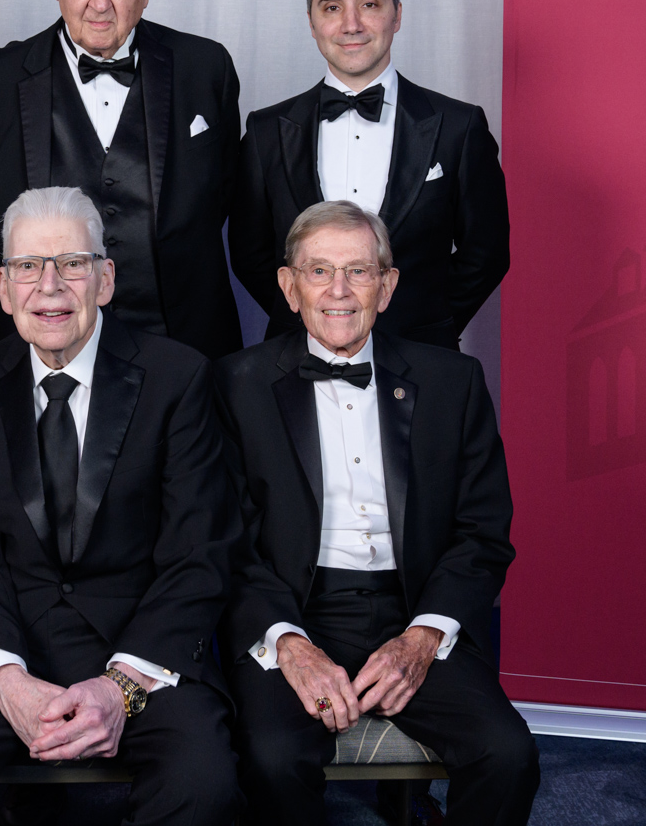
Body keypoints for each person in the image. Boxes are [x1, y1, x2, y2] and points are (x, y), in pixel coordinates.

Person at [0, 187, 241, 826]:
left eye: (72, 263)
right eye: (27, 267)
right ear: (4, 289)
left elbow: (199, 550)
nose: (50, 285)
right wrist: (7, 680)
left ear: (105, 279)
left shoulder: (178, 377)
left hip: (140, 647)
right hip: (7, 640)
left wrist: (119, 686)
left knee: (203, 784)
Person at [215, 200, 538, 826]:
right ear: (288, 285)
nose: (339, 290)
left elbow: (482, 533)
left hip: (416, 608)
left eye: (359, 272)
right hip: (291, 610)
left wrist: (422, 637)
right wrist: (288, 642)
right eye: (319, 271)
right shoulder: (234, 385)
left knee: (508, 754)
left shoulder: (454, 381)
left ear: (386, 287)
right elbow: (223, 540)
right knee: (273, 758)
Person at [0, 0, 244, 360]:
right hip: (33, 351)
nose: (100, 2)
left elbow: (226, 196)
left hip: (184, 347)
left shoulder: (205, 68)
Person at [229, 0, 509, 352]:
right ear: (311, 22)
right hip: (296, 358)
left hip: (424, 359)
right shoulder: (265, 130)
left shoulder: (459, 127)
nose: (352, 24)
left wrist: (426, 324)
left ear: (397, 14)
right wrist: (316, 318)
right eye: (332, 7)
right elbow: (249, 255)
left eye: (370, 4)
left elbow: (486, 252)